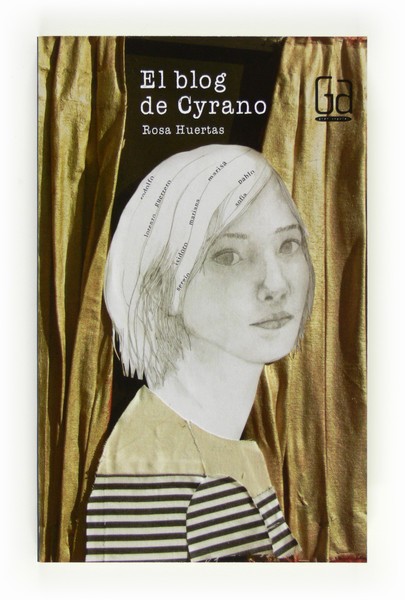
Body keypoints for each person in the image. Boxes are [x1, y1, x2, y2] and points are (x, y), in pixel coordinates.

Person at [85, 144, 315, 562]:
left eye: (287, 245)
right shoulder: (177, 475)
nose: (276, 284)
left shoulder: (219, 444)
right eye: (228, 256)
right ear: (161, 278)